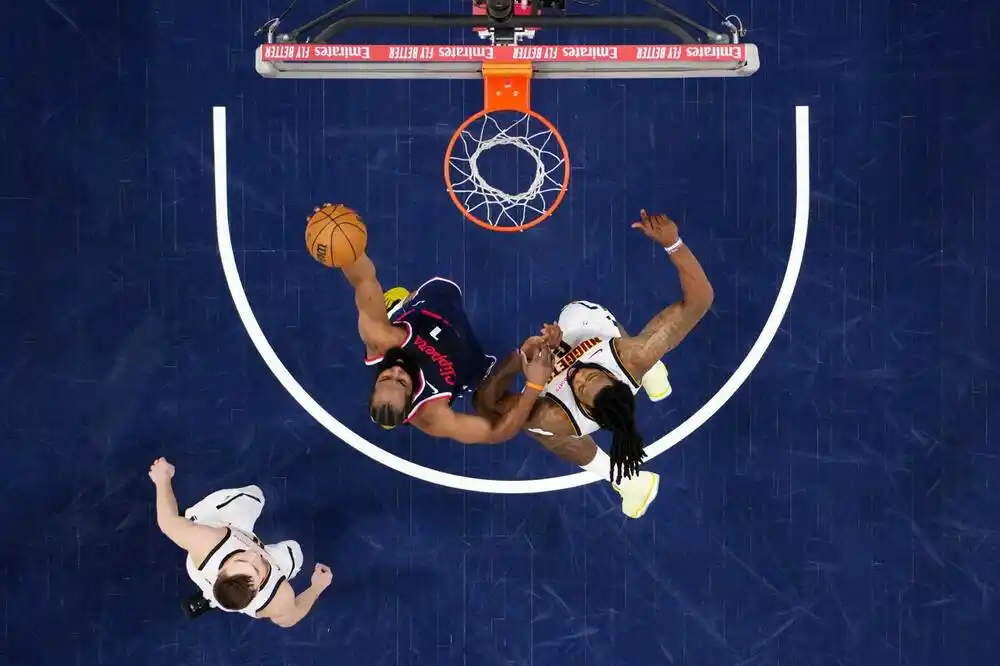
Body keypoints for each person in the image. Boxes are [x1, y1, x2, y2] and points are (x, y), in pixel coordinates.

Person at [473, 211, 714, 518]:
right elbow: (700, 301)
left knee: (538, 430)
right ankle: (651, 373)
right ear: (612, 377)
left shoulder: (555, 416)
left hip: (559, 386)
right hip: (592, 332)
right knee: (589, 322)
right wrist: (673, 243)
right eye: (591, 376)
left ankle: (626, 480)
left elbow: (486, 405)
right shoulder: (631, 357)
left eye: (581, 387)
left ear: (583, 405)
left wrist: (518, 361)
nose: (579, 376)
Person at [340, 247, 554, 444]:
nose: (396, 371)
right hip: (467, 362)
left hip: (434, 308)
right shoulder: (433, 415)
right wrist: (534, 386)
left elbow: (363, 279)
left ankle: (398, 306)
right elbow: (495, 433)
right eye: (402, 382)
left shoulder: (380, 339)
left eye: (386, 378)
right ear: (412, 397)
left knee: (399, 304)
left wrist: (345, 250)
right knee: (490, 400)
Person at [149, 457, 333, 627]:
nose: (254, 555)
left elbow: (168, 522)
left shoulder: (207, 542)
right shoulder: (277, 598)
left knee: (254, 496)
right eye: (256, 569)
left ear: (221, 571)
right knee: (295, 553)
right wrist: (317, 587)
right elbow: (289, 619)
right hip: (233, 541)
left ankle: (194, 523)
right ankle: (211, 599)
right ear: (259, 589)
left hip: (224, 531)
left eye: (241, 560)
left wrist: (162, 479)